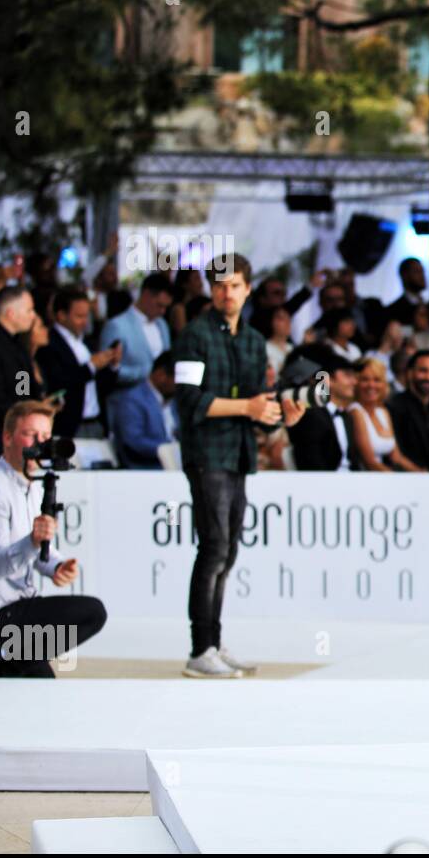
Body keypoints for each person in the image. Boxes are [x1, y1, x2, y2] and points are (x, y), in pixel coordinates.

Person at [172, 255, 306, 678]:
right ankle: (200, 648)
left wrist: (281, 412)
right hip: (207, 452)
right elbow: (188, 400)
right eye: (219, 286)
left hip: (241, 452)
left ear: (248, 289)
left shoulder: (252, 340)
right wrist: (248, 407)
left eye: (234, 285)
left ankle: (212, 641)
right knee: (213, 548)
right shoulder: (193, 336)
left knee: (227, 551)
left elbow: (260, 399)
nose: (226, 293)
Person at [0, 401, 107, 677]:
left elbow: (34, 551)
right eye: (31, 435)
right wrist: (33, 542)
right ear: (8, 437)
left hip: (17, 612)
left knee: (41, 688)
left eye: (46, 437)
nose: (40, 444)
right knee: (92, 611)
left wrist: (55, 565)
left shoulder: (31, 485)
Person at [37, 286, 122, 439]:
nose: (85, 322)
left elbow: (100, 386)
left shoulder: (86, 343)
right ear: (62, 315)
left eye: (87, 316)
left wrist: (113, 365)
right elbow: (59, 381)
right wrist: (90, 367)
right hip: (68, 427)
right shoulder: (48, 342)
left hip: (96, 422)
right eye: (79, 316)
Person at [0, 285, 43, 468]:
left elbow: (23, 388)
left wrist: (36, 406)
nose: (33, 316)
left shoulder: (17, 346)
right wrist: (21, 416)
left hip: (16, 435)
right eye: (29, 310)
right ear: (11, 313)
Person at [100, 273, 173, 393]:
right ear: (146, 295)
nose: (162, 311)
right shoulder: (116, 326)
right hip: (126, 400)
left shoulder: (162, 325)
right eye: (159, 305)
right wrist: (147, 373)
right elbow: (109, 370)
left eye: (166, 307)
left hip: (158, 399)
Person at [287, 351, 358, 471]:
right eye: (347, 375)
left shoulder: (346, 416)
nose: (354, 382)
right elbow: (311, 463)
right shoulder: (311, 415)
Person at [386, 350, 429, 471]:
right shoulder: (394, 407)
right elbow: (395, 455)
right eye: (423, 371)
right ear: (410, 373)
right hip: (408, 480)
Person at [348, 357, 418, 471]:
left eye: (377, 380)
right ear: (356, 382)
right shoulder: (355, 411)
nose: (371, 385)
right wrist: (396, 481)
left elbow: (396, 457)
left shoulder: (382, 412)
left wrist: (421, 473)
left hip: (383, 476)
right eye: (365, 379)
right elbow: (369, 462)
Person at [111, 350, 178, 468]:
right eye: (177, 379)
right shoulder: (132, 400)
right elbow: (133, 442)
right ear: (161, 375)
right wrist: (170, 450)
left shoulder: (173, 400)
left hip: (176, 467)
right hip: (146, 470)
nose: (181, 385)